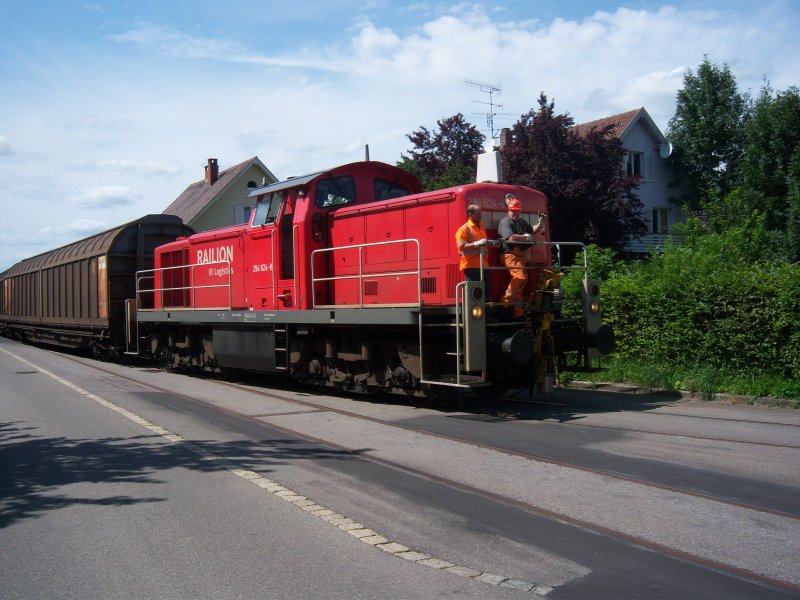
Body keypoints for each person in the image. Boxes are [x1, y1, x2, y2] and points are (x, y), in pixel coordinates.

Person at [497, 196, 545, 318]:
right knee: (520, 277)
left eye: (517, 211)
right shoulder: (505, 222)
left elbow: (532, 230)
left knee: (522, 282)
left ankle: (518, 312)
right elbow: (510, 237)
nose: (515, 213)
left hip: (520, 256)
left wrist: (540, 224)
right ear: (508, 210)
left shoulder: (520, 221)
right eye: (513, 211)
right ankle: (505, 301)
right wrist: (526, 237)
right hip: (510, 255)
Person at [455, 204, 490, 284]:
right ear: (470, 214)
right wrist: (477, 243)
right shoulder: (463, 229)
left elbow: (485, 243)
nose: (480, 216)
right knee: (474, 293)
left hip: (483, 265)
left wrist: (495, 243)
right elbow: (461, 247)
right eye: (478, 213)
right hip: (471, 266)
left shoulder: (481, 227)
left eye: (480, 213)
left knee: (485, 293)